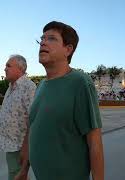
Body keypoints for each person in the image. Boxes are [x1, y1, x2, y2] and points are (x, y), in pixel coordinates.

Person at [29, 21, 104, 180]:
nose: (43, 42)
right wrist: (23, 169)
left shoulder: (80, 82)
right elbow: (34, 128)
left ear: (68, 49)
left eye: (51, 39)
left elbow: (95, 143)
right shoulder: (41, 85)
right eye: (42, 38)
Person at [0, 55, 36, 180]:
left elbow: (33, 120)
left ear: (20, 69)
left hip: (19, 146)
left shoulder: (28, 87)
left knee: (16, 176)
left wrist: (26, 149)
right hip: (10, 144)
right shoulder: (12, 86)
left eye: (8, 66)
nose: (5, 69)